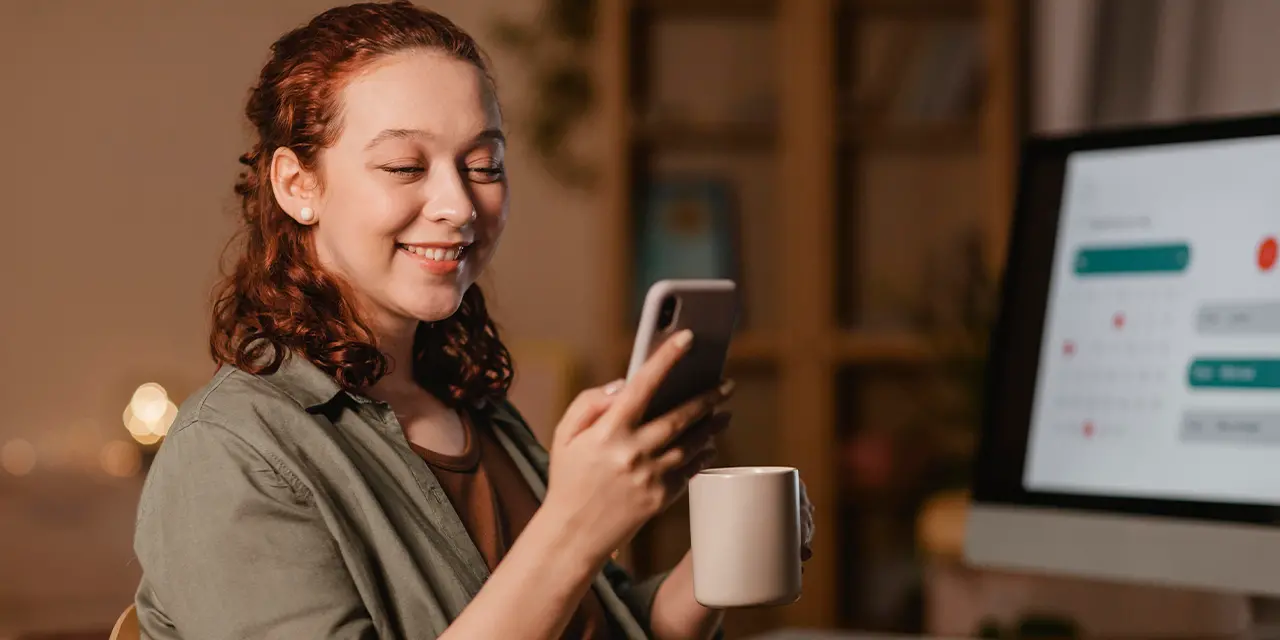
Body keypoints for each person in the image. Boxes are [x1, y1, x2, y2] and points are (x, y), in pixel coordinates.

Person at [132, 2, 813, 638]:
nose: (458, 205)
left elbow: (588, 618)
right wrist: (575, 526)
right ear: (296, 186)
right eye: (404, 166)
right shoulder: (228, 454)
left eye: (485, 165)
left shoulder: (470, 405)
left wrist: (717, 565)